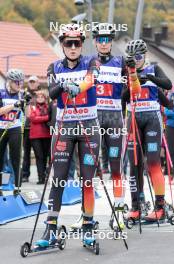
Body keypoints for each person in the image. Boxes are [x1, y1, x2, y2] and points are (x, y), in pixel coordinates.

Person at [35, 24, 100, 248]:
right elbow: (52, 92)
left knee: (88, 180)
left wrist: (78, 86)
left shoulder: (91, 62)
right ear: (62, 45)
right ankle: (51, 227)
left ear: (82, 44)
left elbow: (92, 80)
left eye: (77, 43)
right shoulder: (54, 66)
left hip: (88, 127)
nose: (73, 47)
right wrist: (64, 84)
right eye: (68, 43)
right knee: (59, 179)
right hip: (64, 127)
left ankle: (88, 225)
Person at [123, 39, 172, 221]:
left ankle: (160, 206)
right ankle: (137, 205)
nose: (136, 60)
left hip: (152, 118)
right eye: (132, 57)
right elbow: (123, 97)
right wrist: (133, 79)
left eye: (138, 56)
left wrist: (149, 79)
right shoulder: (127, 71)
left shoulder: (153, 69)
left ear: (145, 56)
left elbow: (167, 84)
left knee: (152, 162)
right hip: (133, 119)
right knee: (134, 164)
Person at [92, 23, 127, 229]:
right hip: (93, 118)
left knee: (116, 167)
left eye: (107, 39)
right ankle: (86, 215)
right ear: (95, 41)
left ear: (111, 41)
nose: (104, 43)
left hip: (114, 119)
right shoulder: (88, 61)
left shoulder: (120, 62)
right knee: (89, 169)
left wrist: (132, 72)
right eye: (100, 39)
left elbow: (133, 86)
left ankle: (119, 211)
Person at [0, 69, 25, 196]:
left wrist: (26, 104)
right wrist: (14, 105)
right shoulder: (1, 93)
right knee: (1, 159)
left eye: (21, 82)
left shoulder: (22, 94)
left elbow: (29, 115)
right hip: (1, 128)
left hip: (15, 128)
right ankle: (1, 186)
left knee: (16, 158)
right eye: (16, 82)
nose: (19, 85)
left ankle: (17, 187)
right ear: (10, 82)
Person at [29, 89, 51, 184]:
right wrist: (46, 118)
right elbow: (33, 118)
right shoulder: (32, 107)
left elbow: (52, 117)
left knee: (46, 156)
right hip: (35, 136)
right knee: (39, 156)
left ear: (45, 98)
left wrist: (42, 118)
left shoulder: (48, 107)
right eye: (38, 97)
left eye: (42, 97)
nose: (40, 98)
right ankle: (40, 177)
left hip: (46, 135)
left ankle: (45, 176)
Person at [22, 75, 40, 182]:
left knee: (40, 154)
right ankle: (25, 175)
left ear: (38, 83)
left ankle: (42, 175)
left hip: (39, 129)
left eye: (34, 82)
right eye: (30, 82)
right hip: (26, 128)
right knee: (26, 153)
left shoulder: (42, 94)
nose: (32, 84)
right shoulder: (24, 94)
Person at [165, 85, 174, 184]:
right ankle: (171, 175)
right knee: (170, 152)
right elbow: (166, 111)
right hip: (171, 126)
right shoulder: (170, 95)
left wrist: (173, 111)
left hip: (171, 122)